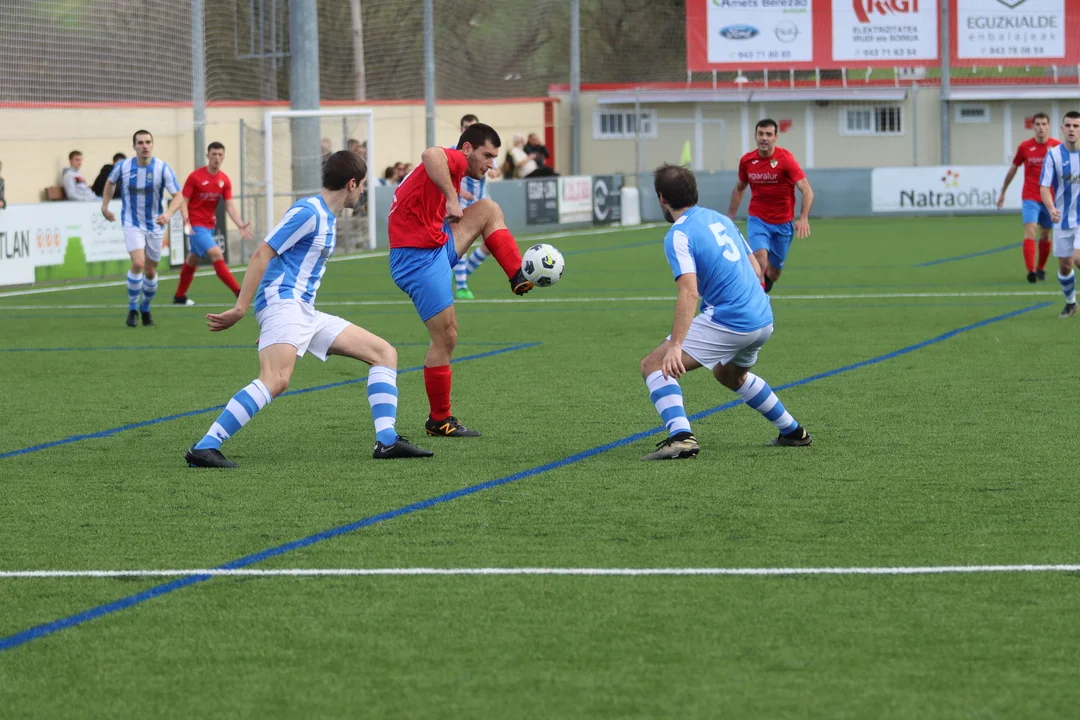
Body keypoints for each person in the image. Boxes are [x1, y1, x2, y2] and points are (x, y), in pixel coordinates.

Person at [184, 151, 432, 468]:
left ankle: (387, 441)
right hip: (285, 304)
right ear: (352, 183)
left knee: (384, 353)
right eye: (362, 185)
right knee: (276, 378)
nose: (362, 192)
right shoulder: (309, 212)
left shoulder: (325, 216)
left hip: (301, 312)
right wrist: (241, 308)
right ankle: (205, 446)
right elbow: (262, 254)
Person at [638, 164, 811, 460]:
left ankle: (681, 437)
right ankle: (793, 432)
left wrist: (676, 346)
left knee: (653, 365)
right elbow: (756, 268)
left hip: (732, 320)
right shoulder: (720, 219)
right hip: (763, 316)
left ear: (662, 198)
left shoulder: (678, 234)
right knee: (729, 375)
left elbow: (689, 292)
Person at [388, 122, 533, 438]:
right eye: (487, 155)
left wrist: (452, 196)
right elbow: (431, 154)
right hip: (416, 259)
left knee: (488, 209)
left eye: (494, 157)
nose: (491, 164)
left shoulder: (457, 169)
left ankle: (518, 273)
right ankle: (439, 420)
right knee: (447, 336)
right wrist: (452, 198)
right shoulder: (454, 158)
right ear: (467, 149)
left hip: (436, 245)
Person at [101, 130, 183, 327]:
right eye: (140, 143)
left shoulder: (162, 168)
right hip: (132, 223)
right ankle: (132, 309)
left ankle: (145, 308)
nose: (144, 146)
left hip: (155, 224)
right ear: (134, 146)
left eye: (147, 142)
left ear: (152, 145)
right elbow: (110, 183)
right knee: (138, 263)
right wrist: (105, 206)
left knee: (150, 270)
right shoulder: (124, 166)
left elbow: (178, 196)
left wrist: (168, 214)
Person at [728, 119, 813, 293]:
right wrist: (730, 217)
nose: (764, 138)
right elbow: (739, 188)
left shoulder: (786, 159)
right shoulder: (747, 161)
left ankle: (765, 284)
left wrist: (803, 218)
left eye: (768, 134)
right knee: (760, 261)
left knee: (774, 273)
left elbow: (807, 190)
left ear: (775, 137)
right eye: (761, 134)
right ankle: (758, 302)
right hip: (758, 219)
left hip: (783, 223)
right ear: (755, 136)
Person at [173, 142, 254, 306]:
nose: (217, 158)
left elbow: (229, 205)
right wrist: (186, 220)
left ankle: (179, 296)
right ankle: (239, 293)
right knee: (216, 253)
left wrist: (240, 224)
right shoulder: (195, 177)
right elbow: (183, 200)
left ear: (223, 157)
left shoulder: (224, 180)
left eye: (220, 155)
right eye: (214, 154)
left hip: (209, 225)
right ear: (208, 156)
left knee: (193, 259)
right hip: (195, 225)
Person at [999, 112, 1060, 283]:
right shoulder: (1025, 147)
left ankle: (1040, 268)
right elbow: (1013, 169)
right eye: (1038, 124)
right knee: (1030, 230)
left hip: (1050, 199)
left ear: (1048, 126)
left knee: (1046, 234)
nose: (1041, 128)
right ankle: (1030, 271)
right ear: (1033, 127)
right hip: (1030, 197)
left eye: (1044, 124)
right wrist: (1003, 191)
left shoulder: (1057, 147)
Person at [1039, 111, 1080, 318]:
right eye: (1068, 125)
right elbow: (1044, 187)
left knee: (1078, 258)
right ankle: (1071, 303)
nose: (1072, 129)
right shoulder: (1053, 155)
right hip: (1062, 218)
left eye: (1076, 126)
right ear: (1062, 128)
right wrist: (1050, 208)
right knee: (1065, 266)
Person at [452, 114, 490, 300]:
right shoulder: (454, 151)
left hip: (481, 203)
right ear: (461, 130)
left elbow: (494, 166)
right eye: (466, 127)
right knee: (463, 244)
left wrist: (495, 170)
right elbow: (444, 175)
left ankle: (462, 274)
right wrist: (459, 191)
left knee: (491, 243)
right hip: (462, 205)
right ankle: (462, 287)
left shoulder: (485, 151)